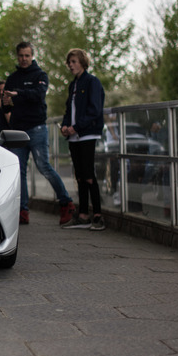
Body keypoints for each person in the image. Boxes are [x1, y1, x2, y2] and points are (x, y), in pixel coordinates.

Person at [3, 41, 75, 225]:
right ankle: (22, 210)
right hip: (17, 131)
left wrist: (18, 94)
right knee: (19, 171)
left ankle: (66, 203)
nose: (24, 59)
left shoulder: (40, 75)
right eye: (21, 56)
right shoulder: (12, 78)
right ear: (17, 56)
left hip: (37, 129)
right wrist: (7, 104)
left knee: (44, 166)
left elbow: (38, 94)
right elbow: (7, 102)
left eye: (27, 55)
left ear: (32, 55)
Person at [60, 48, 105, 231]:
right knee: (79, 175)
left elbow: (95, 110)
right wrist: (64, 126)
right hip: (74, 137)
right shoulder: (73, 85)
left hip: (87, 134)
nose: (71, 65)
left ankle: (98, 216)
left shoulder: (92, 82)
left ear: (83, 63)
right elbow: (68, 110)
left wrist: (75, 127)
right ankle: (83, 215)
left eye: (74, 62)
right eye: (69, 62)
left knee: (88, 175)